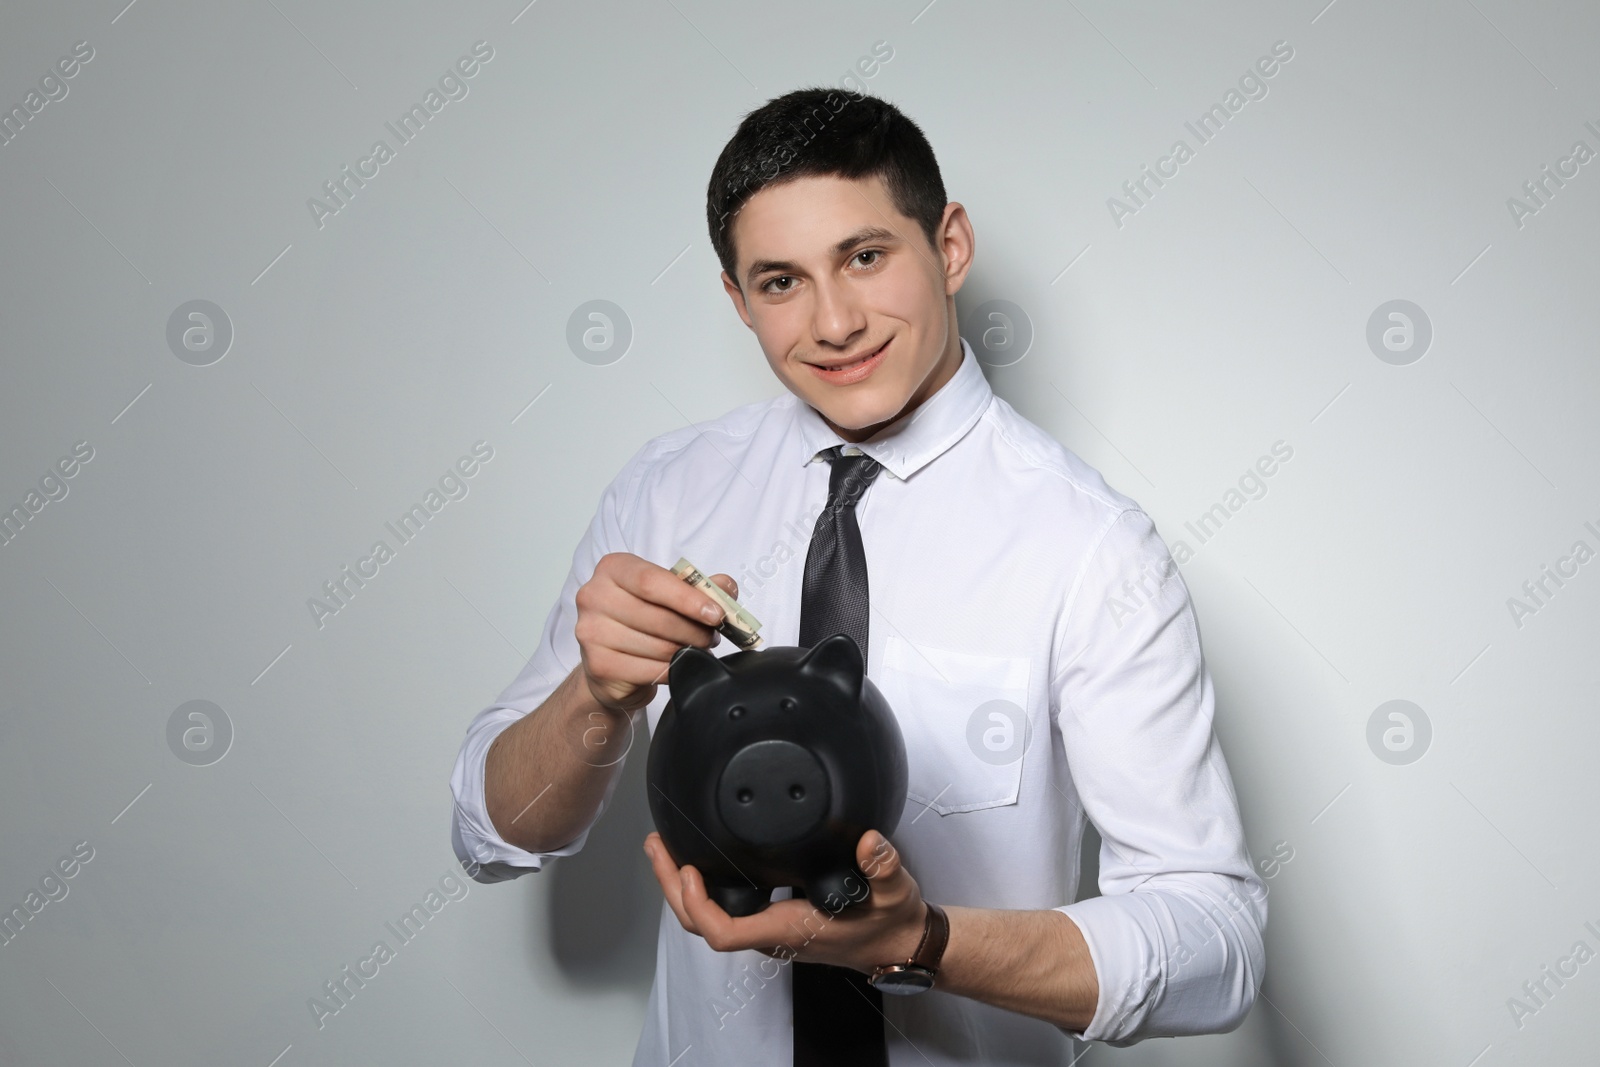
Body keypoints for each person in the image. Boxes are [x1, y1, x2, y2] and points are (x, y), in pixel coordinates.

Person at [449, 87, 1266, 1065]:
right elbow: (489, 836)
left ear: (950, 245)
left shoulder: (1089, 545)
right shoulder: (665, 493)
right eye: (781, 281)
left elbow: (1217, 938)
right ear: (737, 298)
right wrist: (596, 694)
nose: (833, 322)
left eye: (865, 257)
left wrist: (923, 941)